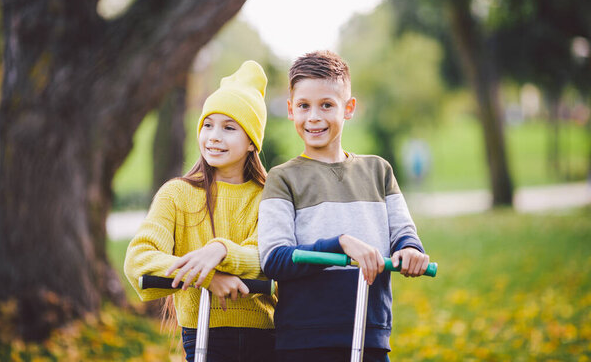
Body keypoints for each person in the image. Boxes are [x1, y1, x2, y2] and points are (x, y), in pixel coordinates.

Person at [258, 50, 430, 362]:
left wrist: (410, 250)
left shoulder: (378, 171)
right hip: (304, 340)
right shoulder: (282, 178)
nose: (314, 117)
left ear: (348, 108)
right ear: (290, 109)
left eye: (327, 105)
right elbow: (273, 258)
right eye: (304, 106)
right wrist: (339, 244)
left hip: (369, 334)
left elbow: (403, 234)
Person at [124, 60, 276, 362]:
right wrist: (207, 278)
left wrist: (220, 251)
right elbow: (139, 260)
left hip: (264, 337)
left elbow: (268, 256)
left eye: (229, 127)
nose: (214, 136)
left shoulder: (269, 196)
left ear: (251, 142)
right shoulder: (177, 194)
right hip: (202, 334)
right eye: (208, 125)